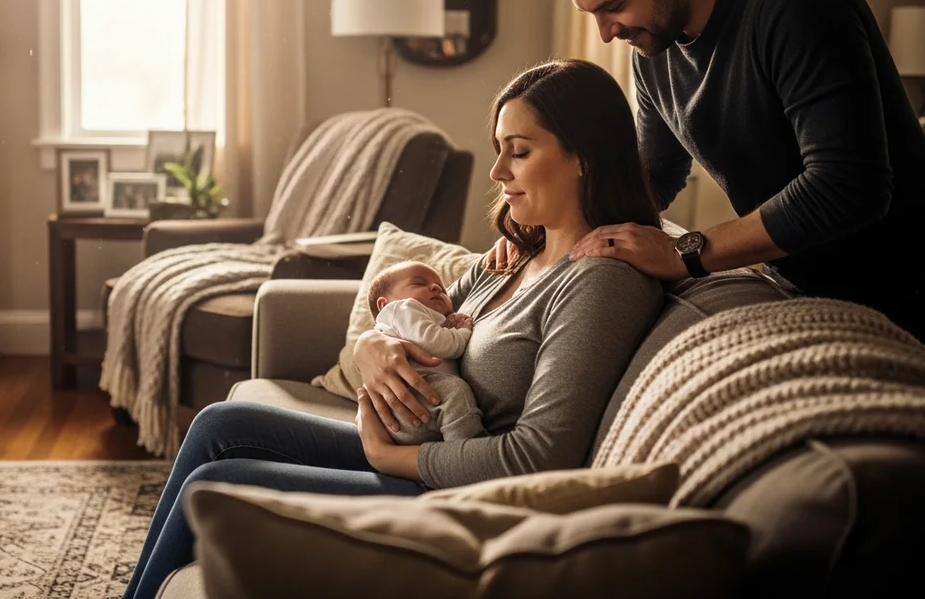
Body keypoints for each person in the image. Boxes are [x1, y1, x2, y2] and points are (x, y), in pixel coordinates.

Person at [120, 59, 664, 599]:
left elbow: (538, 458)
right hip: (417, 448)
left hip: (462, 493)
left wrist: (391, 457)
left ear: (584, 158)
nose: (497, 172)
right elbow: (409, 320)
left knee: (217, 483)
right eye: (499, 149)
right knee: (221, 423)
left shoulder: (600, 283)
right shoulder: (512, 256)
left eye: (519, 152)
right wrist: (373, 344)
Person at [485, 0, 925, 357]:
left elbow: (847, 186)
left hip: (896, 283)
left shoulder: (798, 0)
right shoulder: (654, 49)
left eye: (614, 6)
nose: (606, 32)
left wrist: (685, 252)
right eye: (593, 15)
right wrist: (552, 232)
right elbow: (652, 176)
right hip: (791, 281)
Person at [367, 260, 482, 445]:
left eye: (443, 289)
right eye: (419, 283)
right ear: (384, 304)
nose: (436, 287)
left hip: (410, 411)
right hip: (410, 399)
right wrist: (463, 333)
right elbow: (437, 343)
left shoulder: (423, 318)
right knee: (455, 391)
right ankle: (468, 446)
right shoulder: (402, 308)